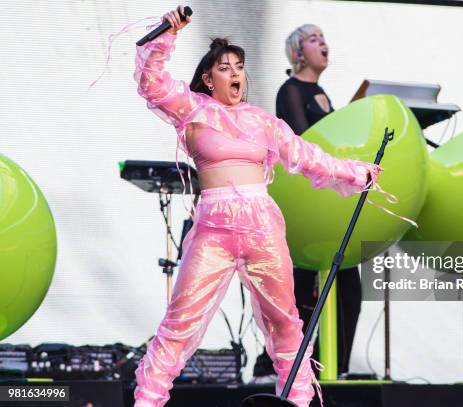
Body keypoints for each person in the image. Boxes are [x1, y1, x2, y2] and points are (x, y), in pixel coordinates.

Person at [132, 6, 382, 407]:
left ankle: (298, 402)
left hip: (261, 224)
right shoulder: (192, 108)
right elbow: (151, 81)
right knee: (179, 323)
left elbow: (308, 156)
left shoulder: (262, 121)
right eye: (225, 68)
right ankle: (146, 402)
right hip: (214, 227)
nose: (235, 74)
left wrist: (356, 172)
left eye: (239, 67)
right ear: (207, 79)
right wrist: (168, 34)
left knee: (286, 323)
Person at [252, 24, 361, 382]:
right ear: (297, 53)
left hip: (330, 206)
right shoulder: (291, 91)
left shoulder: (323, 93)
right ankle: (280, 367)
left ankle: (334, 367)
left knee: (347, 288)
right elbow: (305, 143)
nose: (323, 44)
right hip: (306, 206)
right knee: (302, 293)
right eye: (314, 39)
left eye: (324, 38)